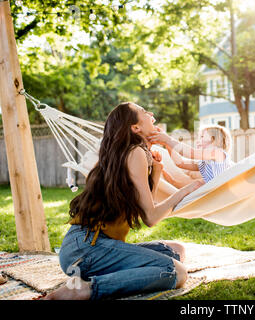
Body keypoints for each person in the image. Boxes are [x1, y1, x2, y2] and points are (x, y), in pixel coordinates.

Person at [44, 102, 203, 300]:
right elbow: (151, 218)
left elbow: (147, 210)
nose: (151, 114)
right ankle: (85, 289)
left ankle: (105, 277)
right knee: (177, 272)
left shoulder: (131, 153)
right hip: (87, 248)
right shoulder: (134, 152)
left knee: (176, 251)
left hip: (83, 247)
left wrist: (156, 172)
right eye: (145, 112)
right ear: (135, 128)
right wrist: (186, 190)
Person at [148, 125, 234, 188]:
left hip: (221, 195)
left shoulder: (218, 153)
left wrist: (167, 139)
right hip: (211, 195)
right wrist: (167, 144)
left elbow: (191, 153)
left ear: (214, 139)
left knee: (197, 185)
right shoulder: (205, 163)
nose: (197, 141)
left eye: (202, 137)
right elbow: (180, 163)